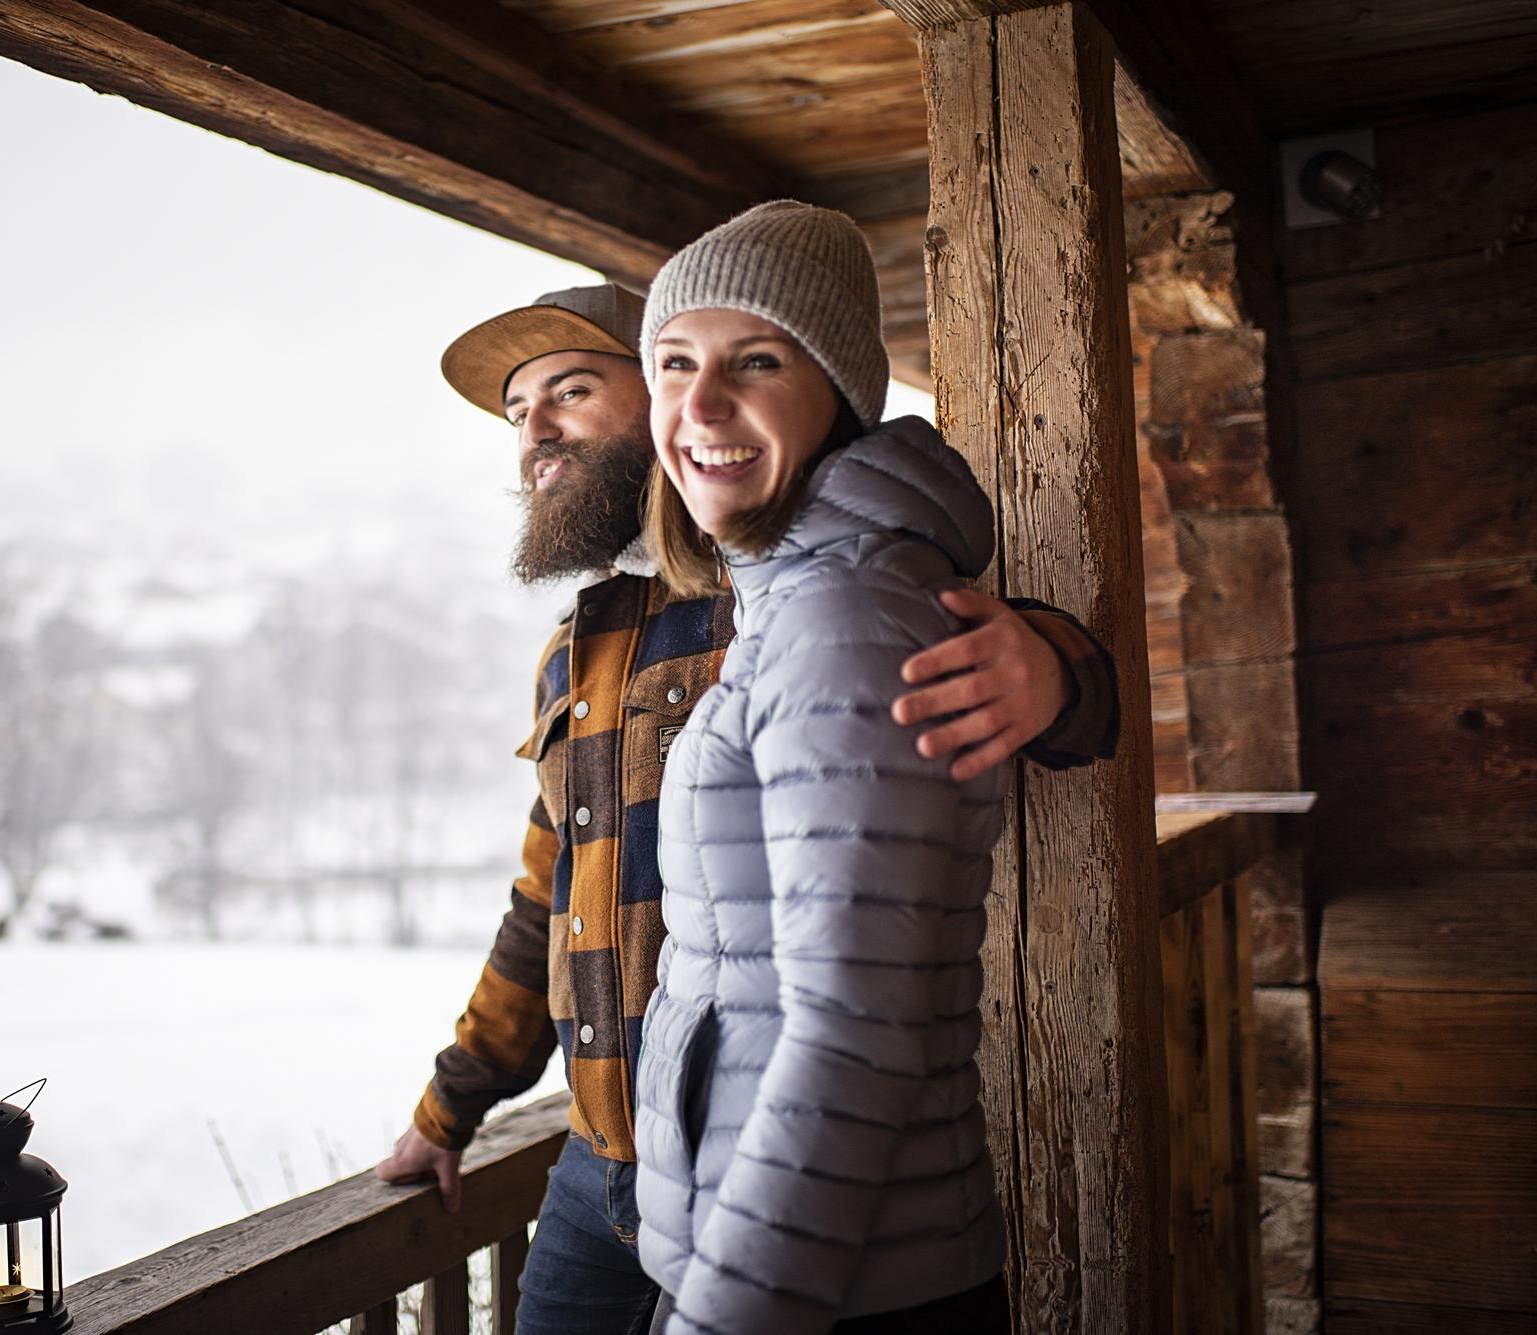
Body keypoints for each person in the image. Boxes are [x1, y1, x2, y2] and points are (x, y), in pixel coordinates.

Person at [374, 262, 1118, 1334]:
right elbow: (548, 901)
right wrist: (448, 1111)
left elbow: (951, 640)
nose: (536, 426)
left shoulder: (783, 579)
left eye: (570, 390)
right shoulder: (572, 652)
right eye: (517, 409)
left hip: (763, 1163)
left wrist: (1051, 665)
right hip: (596, 1170)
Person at [632, 200, 1016, 1334]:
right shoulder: (797, 594)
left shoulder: (843, 617)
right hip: (820, 1261)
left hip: (823, 1288)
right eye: (671, 363)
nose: (698, 406)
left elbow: (852, 1032)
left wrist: (723, 1317)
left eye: (754, 361)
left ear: (838, 395)